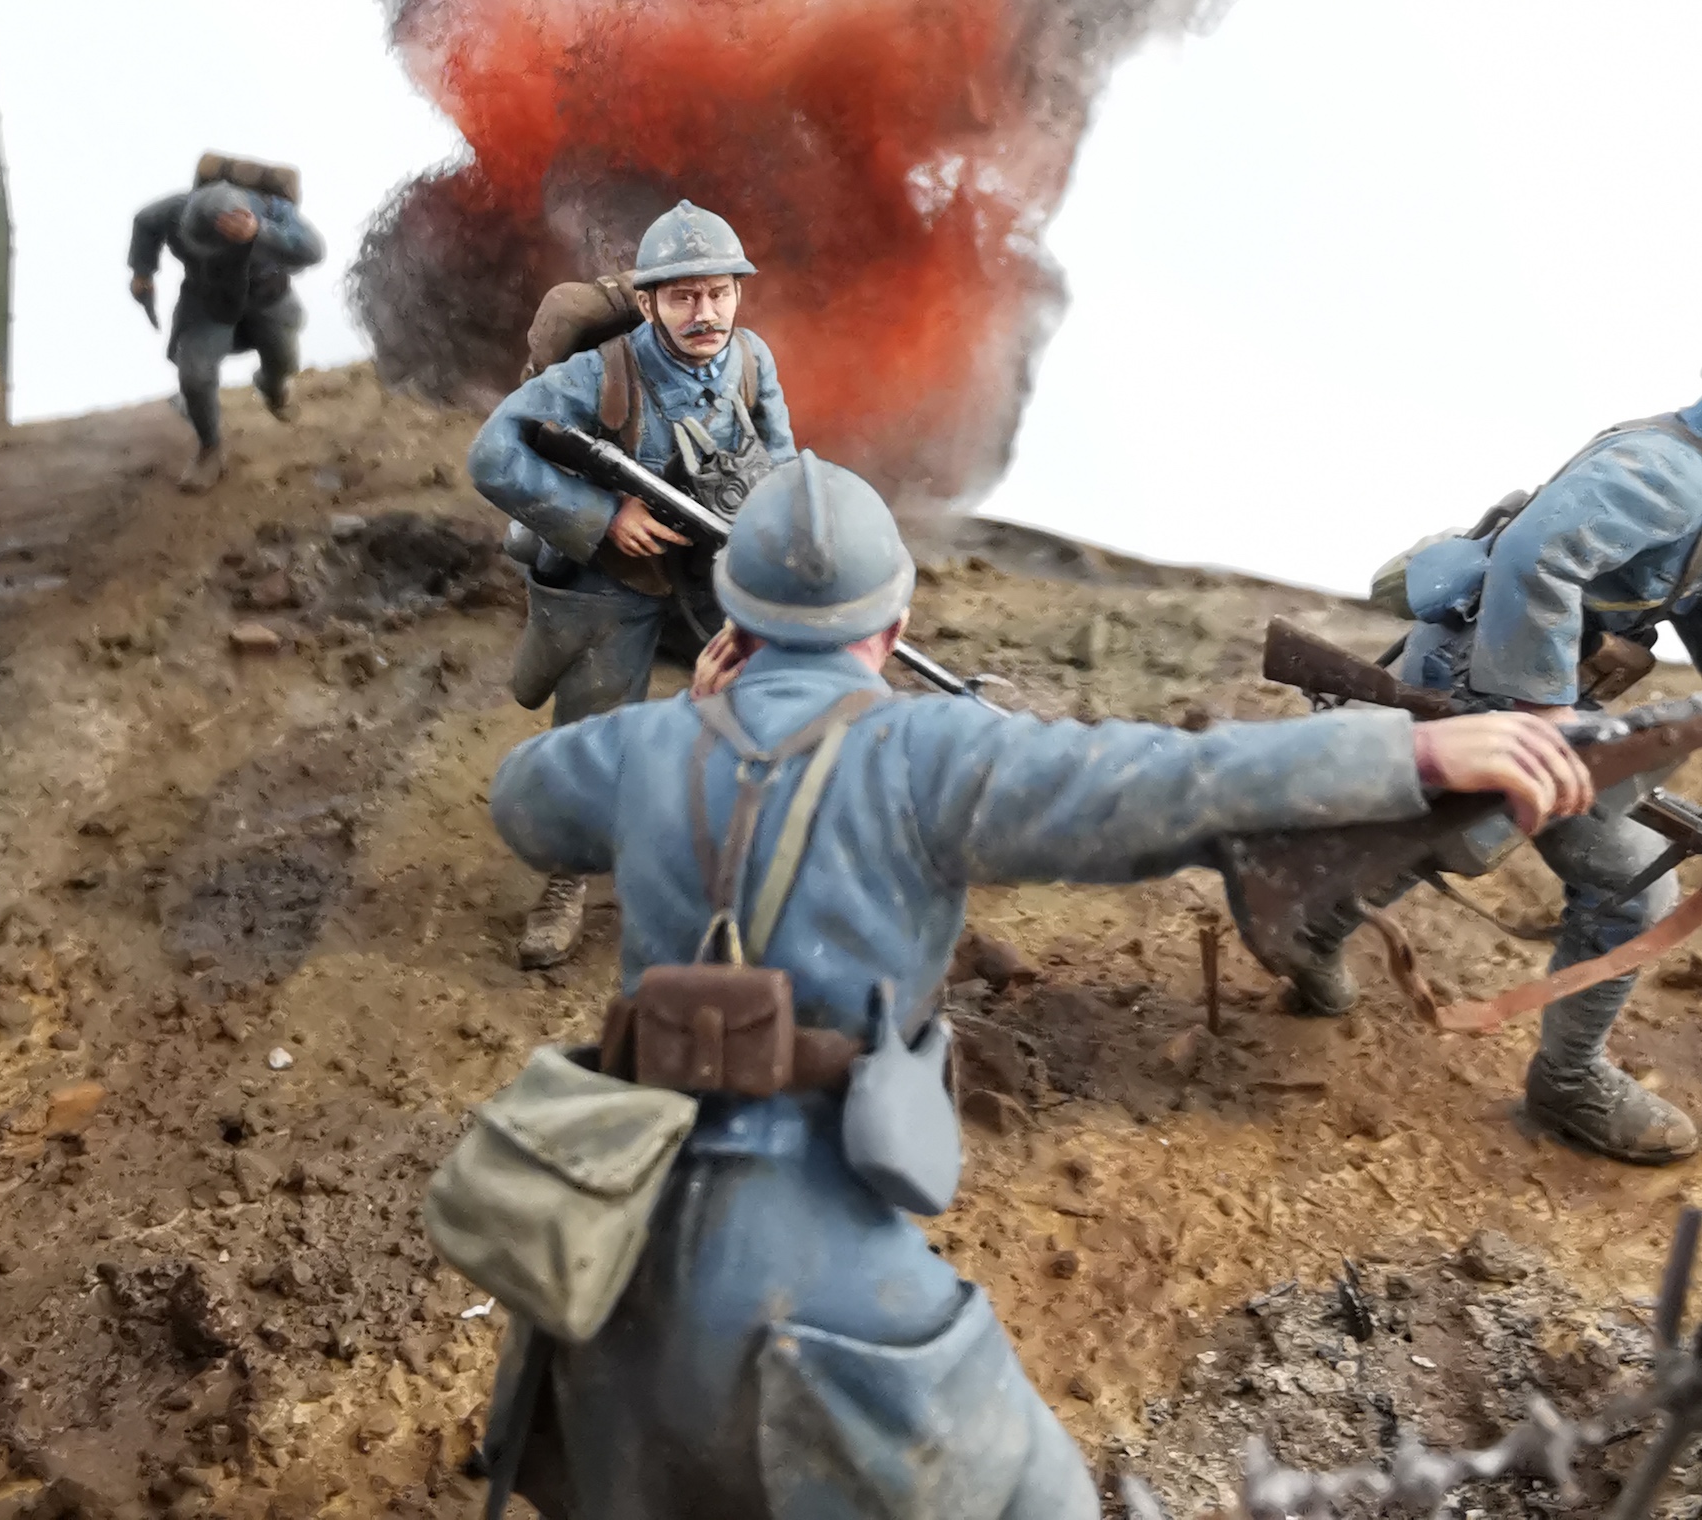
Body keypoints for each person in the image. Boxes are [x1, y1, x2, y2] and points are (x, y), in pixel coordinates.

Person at [479, 451, 1590, 1519]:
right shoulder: (928, 752)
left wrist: (691, 717)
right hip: (818, 1258)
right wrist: (1409, 755)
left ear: (731, 619)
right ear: (893, 625)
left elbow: (526, 803)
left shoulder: (644, 747)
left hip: (618, 1235)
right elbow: (1164, 781)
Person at [1284, 397, 1702, 1164]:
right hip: (1480, 678)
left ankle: (1562, 1076)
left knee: (1579, 869)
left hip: (1534, 681)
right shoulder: (1666, 471)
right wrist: (1543, 718)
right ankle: (1310, 936)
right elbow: (1534, 557)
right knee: (1478, 838)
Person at [469, 199, 796, 968]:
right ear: (648, 303)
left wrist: (780, 535)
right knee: (594, 734)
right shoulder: (599, 374)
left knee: (754, 712)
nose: (704, 313)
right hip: (615, 578)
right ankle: (568, 877)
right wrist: (602, 516)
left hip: (713, 571)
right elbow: (492, 454)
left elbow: (780, 456)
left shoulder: (752, 359)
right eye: (683, 297)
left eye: (718, 293)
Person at [129, 161, 324, 494]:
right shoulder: (177, 209)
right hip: (208, 301)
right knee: (194, 376)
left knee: (283, 360)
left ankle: (272, 385)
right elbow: (146, 222)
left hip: (267, 298)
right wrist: (142, 272)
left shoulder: (272, 211)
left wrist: (260, 232)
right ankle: (210, 448)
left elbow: (313, 249)